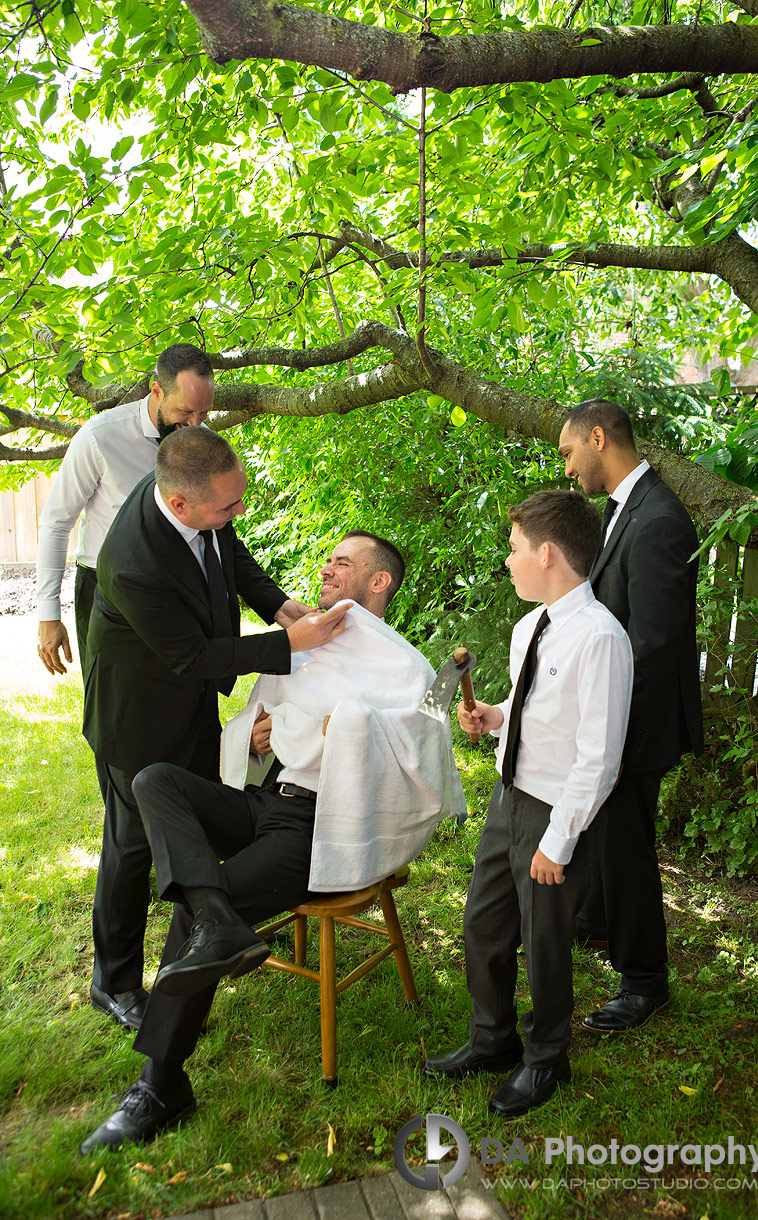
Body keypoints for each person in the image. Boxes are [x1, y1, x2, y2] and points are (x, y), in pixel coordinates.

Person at [79, 531, 465, 1153]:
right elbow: (256, 729)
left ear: (379, 582)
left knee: (200, 899)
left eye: (344, 562)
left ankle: (160, 1083)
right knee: (155, 781)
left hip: (318, 825)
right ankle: (218, 924)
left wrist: (326, 732)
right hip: (263, 800)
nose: (328, 568)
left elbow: (423, 759)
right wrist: (259, 734)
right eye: (329, 559)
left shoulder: (405, 668)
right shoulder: (304, 647)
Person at [83, 426, 334, 1032]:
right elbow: (193, 656)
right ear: (178, 505)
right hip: (137, 714)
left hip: (187, 700)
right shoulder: (133, 563)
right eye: (228, 506)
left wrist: (276, 606)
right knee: (132, 845)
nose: (238, 511)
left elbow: (230, 551)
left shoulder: (200, 495)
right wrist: (285, 645)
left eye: (237, 498)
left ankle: (205, 937)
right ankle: (113, 983)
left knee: (190, 824)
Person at [424, 490, 633, 1117]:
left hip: (555, 814)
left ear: (546, 553)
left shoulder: (601, 639)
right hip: (509, 798)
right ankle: (493, 1038)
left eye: (513, 550)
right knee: (484, 922)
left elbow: (599, 757)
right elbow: (535, 706)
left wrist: (558, 841)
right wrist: (495, 717)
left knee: (544, 941)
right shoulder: (529, 626)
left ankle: (547, 1058)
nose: (507, 561)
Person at [558, 399, 703, 1033]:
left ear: (597, 439)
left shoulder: (660, 519)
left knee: (627, 848)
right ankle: (589, 923)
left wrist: (613, 742)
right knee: (599, 831)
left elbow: (655, 645)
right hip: (614, 715)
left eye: (568, 453)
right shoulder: (625, 509)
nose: (567, 469)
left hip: (638, 723)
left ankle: (644, 980)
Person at [36, 343, 215, 678]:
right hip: (107, 592)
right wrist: (48, 614)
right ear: (157, 390)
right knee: (114, 715)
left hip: (179, 590)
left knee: (187, 699)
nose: (195, 425)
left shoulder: (201, 439)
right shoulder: (99, 437)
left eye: (203, 414)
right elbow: (56, 523)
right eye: (186, 412)